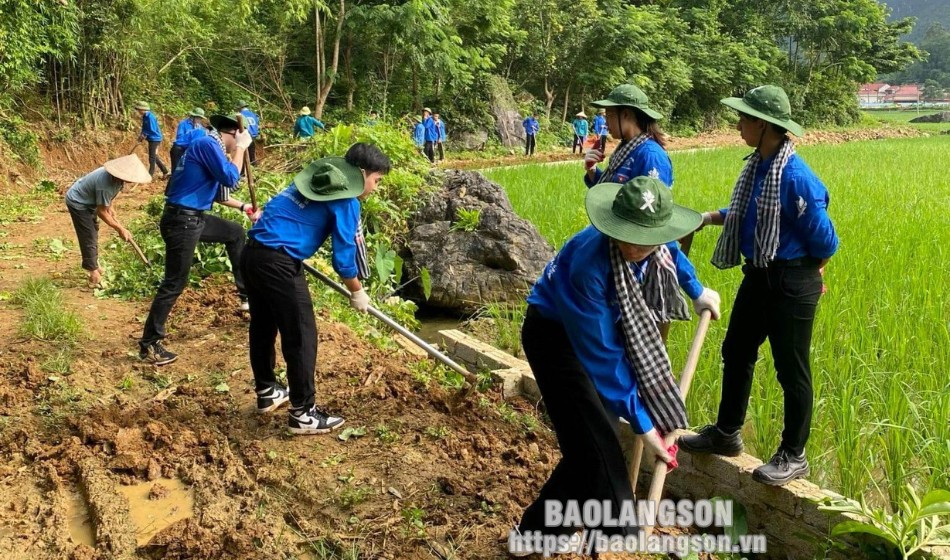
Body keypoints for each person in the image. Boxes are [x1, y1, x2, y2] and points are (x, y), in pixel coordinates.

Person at [511, 177, 700, 556]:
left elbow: (671, 256)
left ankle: (538, 531)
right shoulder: (588, 264)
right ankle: (617, 533)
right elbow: (604, 356)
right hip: (555, 338)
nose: (635, 246)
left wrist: (696, 291)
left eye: (646, 239)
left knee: (591, 442)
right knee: (595, 441)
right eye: (627, 235)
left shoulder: (654, 246)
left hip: (593, 336)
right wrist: (645, 428)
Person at [677, 85, 839, 486]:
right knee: (736, 351)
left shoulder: (797, 178)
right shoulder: (758, 168)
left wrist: (809, 274)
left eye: (745, 119)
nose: (738, 125)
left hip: (792, 282)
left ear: (766, 126)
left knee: (791, 369)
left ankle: (794, 454)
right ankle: (727, 432)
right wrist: (708, 217)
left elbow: (826, 242)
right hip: (759, 273)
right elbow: (749, 211)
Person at [241, 143, 390, 434]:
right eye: (376, 180)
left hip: (252, 255)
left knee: (263, 326)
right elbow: (344, 257)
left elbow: (273, 211)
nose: (375, 188)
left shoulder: (312, 181)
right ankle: (303, 413)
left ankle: (267, 391)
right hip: (279, 263)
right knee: (302, 335)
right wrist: (356, 290)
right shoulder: (347, 200)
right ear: (361, 175)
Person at [583, 84, 721, 336]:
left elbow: (653, 228)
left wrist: (694, 288)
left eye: (608, 116)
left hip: (636, 264)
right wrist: (593, 173)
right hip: (613, 256)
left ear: (626, 115)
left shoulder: (651, 157)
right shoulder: (626, 148)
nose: (605, 123)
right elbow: (619, 200)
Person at [138, 114, 259, 366]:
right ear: (233, 135)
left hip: (192, 219)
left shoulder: (206, 146)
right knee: (174, 282)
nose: (234, 148)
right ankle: (150, 343)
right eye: (237, 141)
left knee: (235, 232)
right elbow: (230, 178)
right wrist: (241, 149)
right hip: (182, 221)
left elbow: (218, 193)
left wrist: (245, 206)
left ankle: (246, 296)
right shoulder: (208, 144)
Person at [65, 155, 152, 287]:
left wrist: (110, 207)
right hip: (78, 202)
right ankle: (93, 273)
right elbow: (101, 212)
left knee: (93, 230)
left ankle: (94, 263)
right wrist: (120, 229)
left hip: (90, 200)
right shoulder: (104, 183)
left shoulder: (117, 180)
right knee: (88, 234)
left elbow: (108, 199)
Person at [135, 101, 169, 179]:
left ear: (143, 109)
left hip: (155, 138)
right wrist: (141, 135)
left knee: (151, 157)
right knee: (154, 156)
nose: (138, 112)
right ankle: (165, 171)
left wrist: (144, 135)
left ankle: (150, 175)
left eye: (139, 110)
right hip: (151, 138)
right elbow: (144, 127)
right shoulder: (144, 116)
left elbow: (152, 130)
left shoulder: (151, 117)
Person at [170, 108, 207, 173]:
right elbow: (180, 137)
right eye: (198, 118)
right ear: (193, 116)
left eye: (201, 118)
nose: (199, 120)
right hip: (179, 149)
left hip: (188, 151)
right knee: (176, 170)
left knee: (183, 172)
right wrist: (191, 134)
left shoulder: (200, 127)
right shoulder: (183, 124)